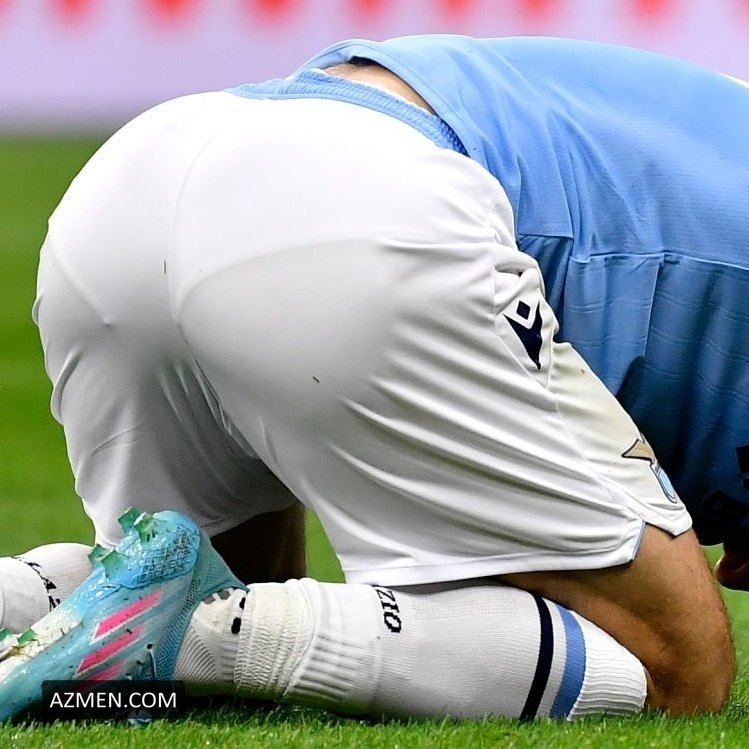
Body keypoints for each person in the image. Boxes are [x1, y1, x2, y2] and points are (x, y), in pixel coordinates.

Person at [0, 34, 746, 722]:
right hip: (364, 202)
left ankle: (28, 601)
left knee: (218, 574)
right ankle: (191, 634)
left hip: (140, 180)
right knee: (676, 660)